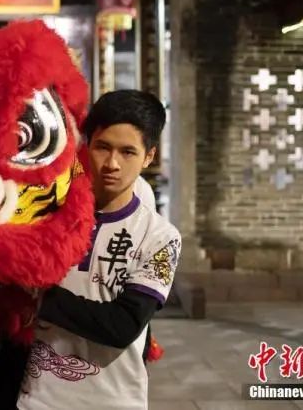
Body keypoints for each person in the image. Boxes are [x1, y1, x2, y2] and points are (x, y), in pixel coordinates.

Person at [16, 90, 181, 410]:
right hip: (37, 399)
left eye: (128, 152)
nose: (112, 164)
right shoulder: (45, 216)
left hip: (115, 401)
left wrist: (34, 297)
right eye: (103, 147)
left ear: (149, 156)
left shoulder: (162, 238)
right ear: (87, 145)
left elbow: (122, 325)